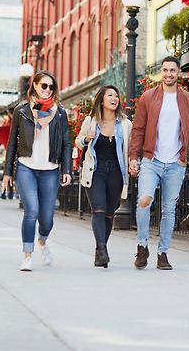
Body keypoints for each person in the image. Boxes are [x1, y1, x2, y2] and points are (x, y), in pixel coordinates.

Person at [129, 56, 189, 270]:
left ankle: (163, 253)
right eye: (165, 70)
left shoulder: (188, 99)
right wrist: (134, 156)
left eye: (172, 70)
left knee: (169, 209)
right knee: (144, 201)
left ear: (179, 73)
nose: (168, 74)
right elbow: (138, 129)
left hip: (175, 163)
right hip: (151, 160)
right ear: (161, 72)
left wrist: (188, 153)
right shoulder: (148, 97)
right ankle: (142, 246)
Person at [3, 70, 72, 272]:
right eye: (44, 86)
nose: (48, 90)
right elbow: (11, 144)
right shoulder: (22, 111)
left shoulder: (59, 113)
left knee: (47, 218)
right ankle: (27, 254)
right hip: (26, 167)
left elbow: (66, 143)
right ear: (34, 86)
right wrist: (8, 172)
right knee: (31, 210)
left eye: (51, 87)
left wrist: (66, 168)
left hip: (50, 169)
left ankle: (42, 240)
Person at [75, 85, 132, 268]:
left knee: (108, 213)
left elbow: (130, 148)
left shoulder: (125, 124)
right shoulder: (91, 121)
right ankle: (102, 249)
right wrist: (86, 139)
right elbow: (78, 140)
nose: (114, 98)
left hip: (116, 172)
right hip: (96, 171)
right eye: (110, 95)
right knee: (98, 210)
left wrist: (133, 162)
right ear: (101, 99)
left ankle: (100, 251)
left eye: (116, 96)